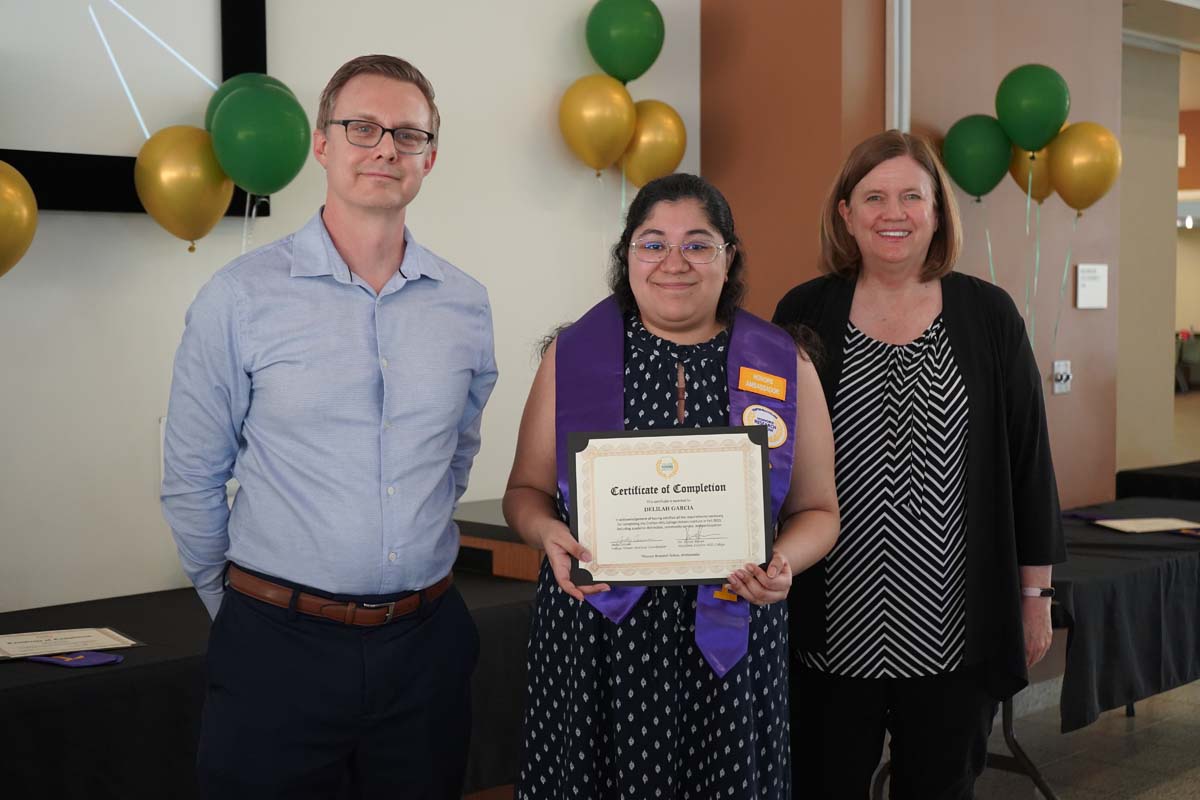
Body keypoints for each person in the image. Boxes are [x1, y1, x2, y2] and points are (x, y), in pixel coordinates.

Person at [161, 55, 498, 799]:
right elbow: (192, 478)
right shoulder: (239, 298)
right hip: (275, 647)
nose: (386, 148)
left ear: (430, 157)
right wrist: (239, 612)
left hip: (426, 650)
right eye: (362, 128)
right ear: (321, 143)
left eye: (408, 134)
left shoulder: (466, 306)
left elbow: (452, 456)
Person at [503, 173, 839, 799]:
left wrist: (783, 564)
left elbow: (819, 510)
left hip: (733, 632)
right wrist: (546, 531)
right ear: (627, 256)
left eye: (698, 244)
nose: (674, 262)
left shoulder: (783, 362)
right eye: (653, 243)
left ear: (728, 257)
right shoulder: (571, 357)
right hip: (596, 638)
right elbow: (524, 491)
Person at [773, 130, 1064, 799]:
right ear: (845, 213)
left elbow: (1029, 462)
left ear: (937, 211)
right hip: (829, 624)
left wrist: (1035, 597)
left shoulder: (988, 314)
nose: (893, 213)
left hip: (952, 629)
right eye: (873, 197)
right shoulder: (803, 312)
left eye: (911, 196)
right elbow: (767, 453)